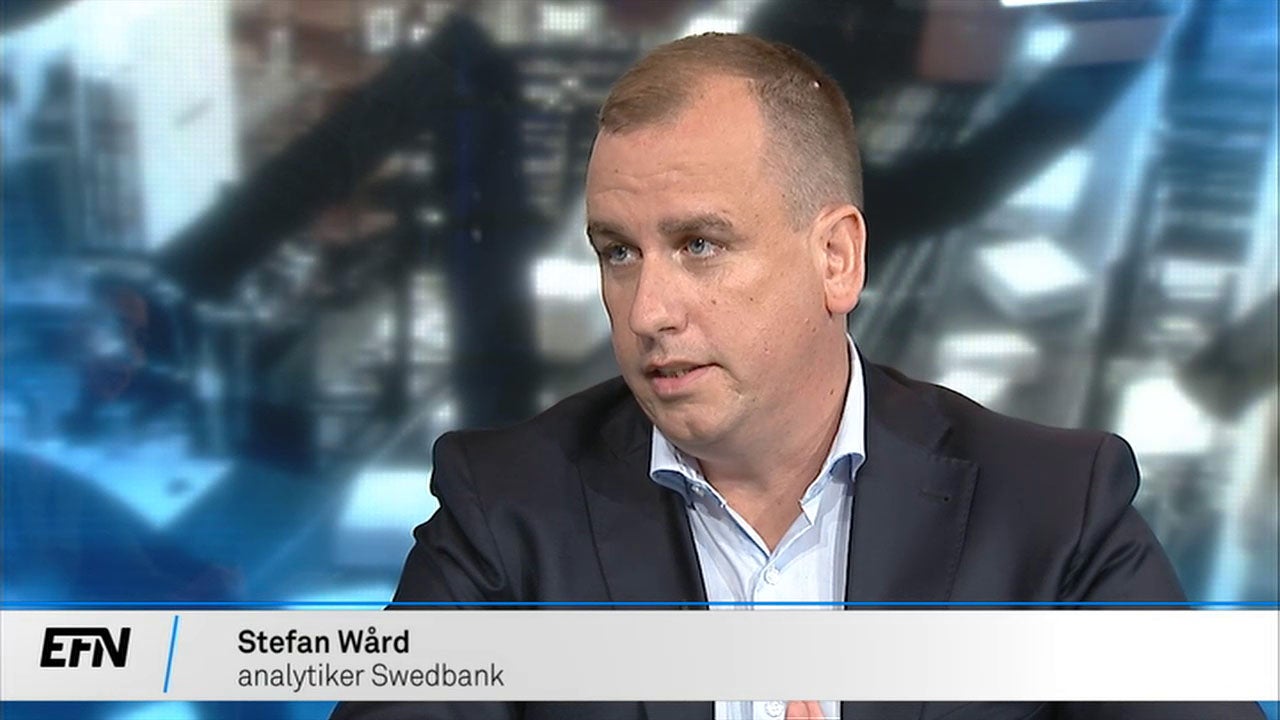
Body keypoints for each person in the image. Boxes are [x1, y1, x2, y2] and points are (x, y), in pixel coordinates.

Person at [331, 33, 1263, 720]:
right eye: (618, 252)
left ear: (836, 260)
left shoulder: (1057, 510)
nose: (648, 310)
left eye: (700, 244)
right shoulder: (502, 511)